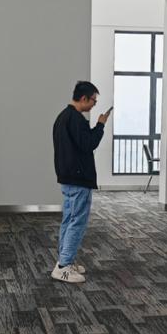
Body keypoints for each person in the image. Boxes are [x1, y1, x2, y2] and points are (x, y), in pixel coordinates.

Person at [51, 81, 112, 283]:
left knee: (69, 220)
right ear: (84, 98)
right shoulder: (76, 119)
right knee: (77, 222)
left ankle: (64, 260)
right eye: (94, 100)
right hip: (78, 179)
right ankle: (63, 267)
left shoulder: (62, 117)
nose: (94, 104)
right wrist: (101, 125)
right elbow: (89, 144)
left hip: (68, 177)